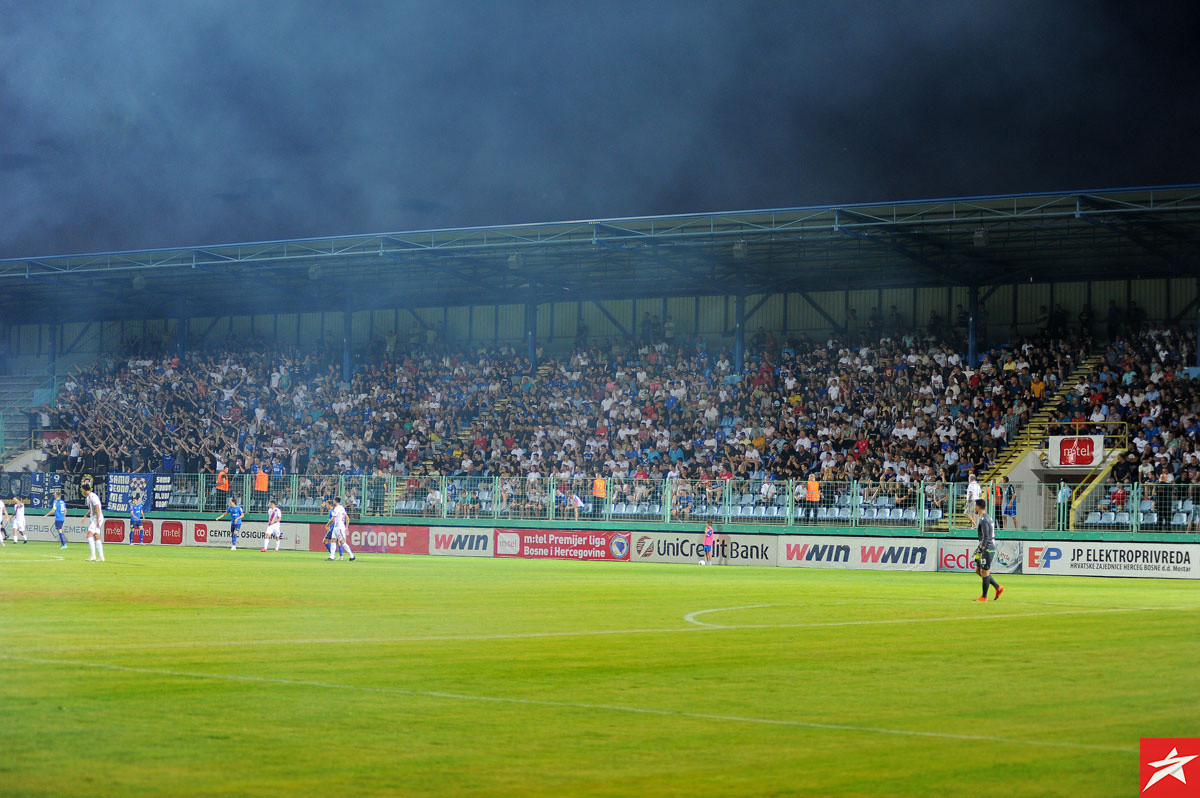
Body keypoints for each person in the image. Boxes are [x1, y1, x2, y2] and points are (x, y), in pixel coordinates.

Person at [972, 499, 1004, 602]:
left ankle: (984, 596)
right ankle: (998, 587)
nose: (974, 508)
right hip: (985, 546)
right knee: (978, 570)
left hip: (988, 547)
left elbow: (986, 537)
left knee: (985, 572)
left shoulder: (984, 519)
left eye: (974, 506)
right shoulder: (987, 518)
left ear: (978, 507)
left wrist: (981, 550)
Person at [326, 496, 355, 561]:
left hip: (339, 527)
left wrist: (327, 525)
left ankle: (352, 556)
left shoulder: (337, 508)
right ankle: (331, 557)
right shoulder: (342, 508)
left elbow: (333, 519)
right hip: (337, 527)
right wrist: (346, 527)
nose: (333, 501)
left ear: (335, 501)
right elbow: (347, 517)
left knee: (342, 542)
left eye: (334, 500)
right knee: (333, 540)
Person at [83, 483, 105, 562]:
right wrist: (86, 516)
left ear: (85, 490)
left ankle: (93, 555)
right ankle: (101, 557)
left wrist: (98, 519)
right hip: (94, 518)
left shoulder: (92, 496)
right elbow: (92, 509)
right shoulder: (88, 497)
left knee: (89, 534)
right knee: (96, 536)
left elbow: (97, 508)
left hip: (97, 517)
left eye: (83, 489)